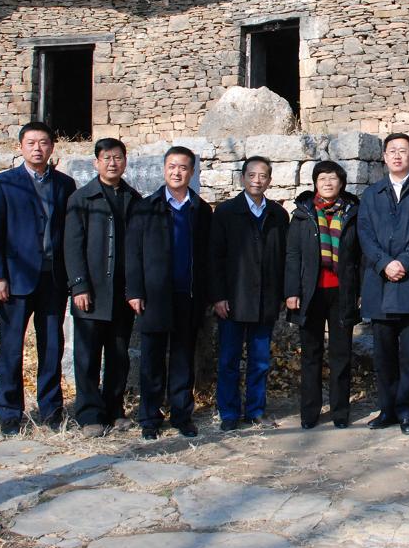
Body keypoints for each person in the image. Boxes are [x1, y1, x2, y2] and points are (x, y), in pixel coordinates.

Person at [0, 121, 76, 435]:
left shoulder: (64, 184)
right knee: (11, 347)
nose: (38, 148)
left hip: (53, 279)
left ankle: (51, 408)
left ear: (52, 147)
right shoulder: (4, 183)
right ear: (21, 147)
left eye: (43, 142)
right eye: (31, 143)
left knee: (51, 346)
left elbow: (70, 232)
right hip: (15, 279)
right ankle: (9, 412)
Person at [125, 146, 213, 439]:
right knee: (152, 359)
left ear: (192, 172)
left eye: (183, 167)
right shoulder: (145, 207)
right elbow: (133, 253)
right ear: (164, 169)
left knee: (183, 358)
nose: (177, 172)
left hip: (189, 294)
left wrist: (207, 294)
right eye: (172, 166)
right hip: (154, 296)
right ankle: (150, 417)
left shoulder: (201, 210)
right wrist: (134, 291)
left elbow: (208, 256)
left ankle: (181, 415)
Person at [357, 133, 409, 435]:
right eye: (391, 150)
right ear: (383, 156)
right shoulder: (372, 194)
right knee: (383, 356)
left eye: (403, 151)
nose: (397, 155)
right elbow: (364, 233)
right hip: (380, 282)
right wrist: (384, 263)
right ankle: (387, 410)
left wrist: (403, 262)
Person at [63, 138, 141, 437]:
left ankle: (114, 409)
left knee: (119, 355)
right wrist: (79, 285)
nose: (112, 163)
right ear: (96, 162)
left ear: (125, 161)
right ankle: (89, 414)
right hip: (91, 292)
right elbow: (72, 246)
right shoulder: (82, 198)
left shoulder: (133, 199)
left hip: (122, 293)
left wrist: (135, 290)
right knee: (87, 356)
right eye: (107, 158)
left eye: (118, 157)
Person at [211, 156, 289, 431]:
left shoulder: (278, 215)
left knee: (260, 360)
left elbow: (285, 258)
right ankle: (229, 413)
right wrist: (218, 296)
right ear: (243, 178)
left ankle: (255, 410)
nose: (257, 181)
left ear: (270, 180)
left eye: (263, 176)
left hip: (266, 298)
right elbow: (215, 257)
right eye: (252, 175)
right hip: (233, 298)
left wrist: (283, 294)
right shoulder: (226, 212)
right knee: (229, 360)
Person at [284, 161, 362, 429]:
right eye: (322, 179)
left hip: (342, 292)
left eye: (333, 178)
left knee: (341, 354)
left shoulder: (353, 213)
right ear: (315, 183)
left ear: (342, 183)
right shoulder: (302, 215)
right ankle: (310, 413)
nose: (328, 183)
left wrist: (360, 291)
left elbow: (361, 256)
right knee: (311, 354)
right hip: (311, 293)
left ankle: (340, 412)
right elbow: (292, 255)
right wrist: (292, 291)